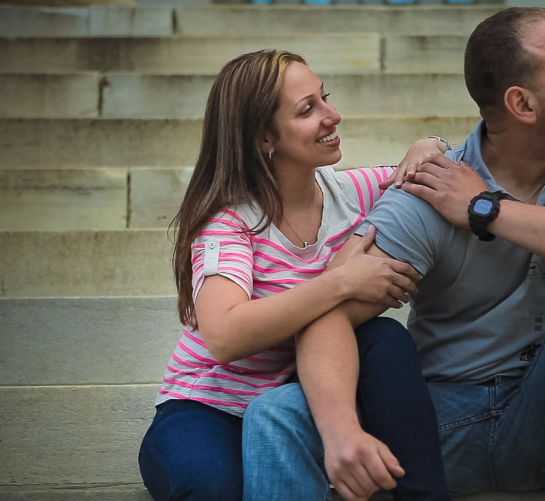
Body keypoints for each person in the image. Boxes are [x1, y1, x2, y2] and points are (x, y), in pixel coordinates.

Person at [241, 7, 545, 501]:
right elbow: (327, 315)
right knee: (276, 413)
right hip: (438, 425)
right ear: (522, 103)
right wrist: (342, 432)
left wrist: (484, 208)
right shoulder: (431, 189)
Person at [137, 49, 452, 501]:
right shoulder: (230, 223)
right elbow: (224, 335)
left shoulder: (356, 192)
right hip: (209, 409)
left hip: (299, 400)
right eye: (308, 110)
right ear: (265, 137)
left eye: (325, 97)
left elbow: (438, 168)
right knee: (212, 485)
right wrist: (340, 282)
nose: (333, 115)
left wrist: (430, 144)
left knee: (382, 338)